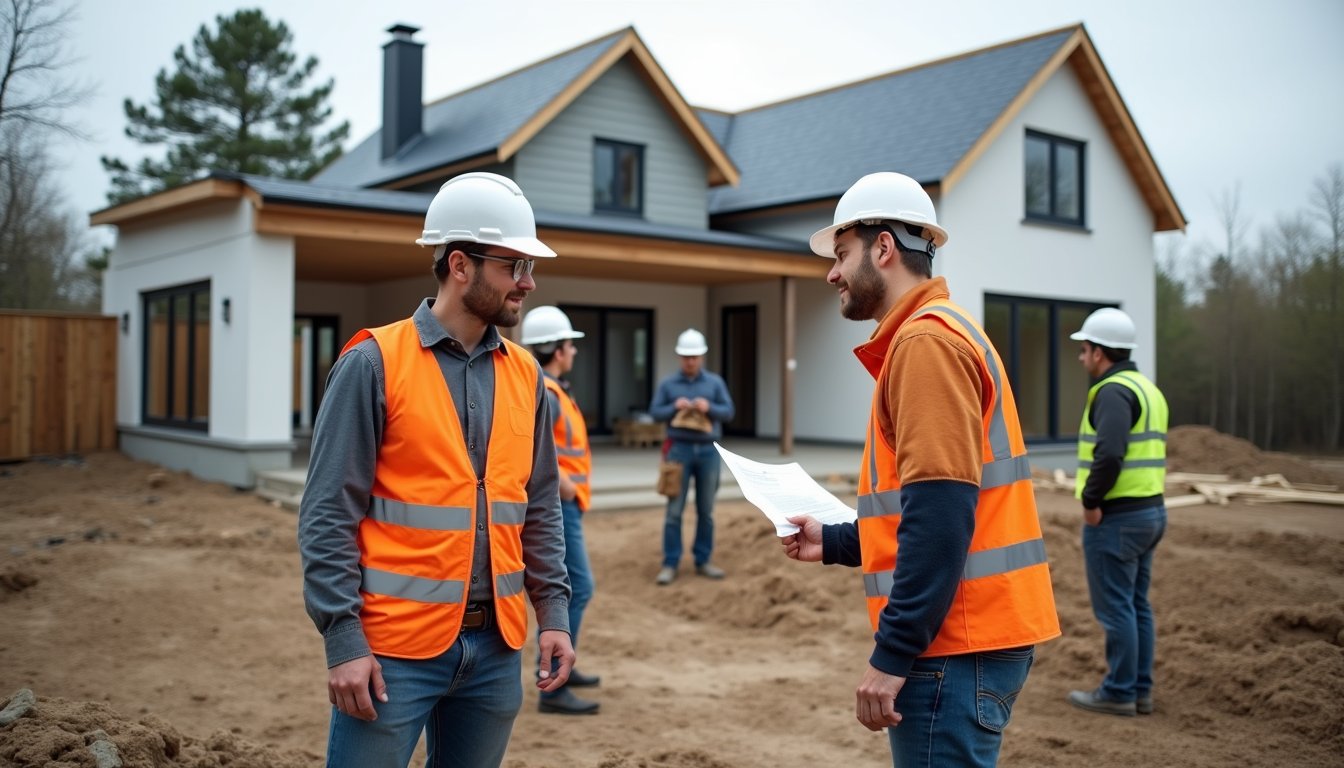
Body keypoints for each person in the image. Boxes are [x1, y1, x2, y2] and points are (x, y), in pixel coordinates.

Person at [780, 171, 1061, 767]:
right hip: (969, 633)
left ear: (883, 248)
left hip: (954, 642)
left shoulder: (926, 346)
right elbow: (923, 509)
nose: (832, 273)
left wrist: (892, 655)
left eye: (842, 253)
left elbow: (940, 518)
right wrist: (833, 541)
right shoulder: (940, 335)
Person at [298, 172, 575, 768]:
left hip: (496, 651)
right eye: (514, 266)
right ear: (459, 265)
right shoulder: (373, 363)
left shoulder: (528, 377)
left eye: (530, 267)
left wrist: (555, 615)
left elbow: (541, 507)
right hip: (392, 654)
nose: (528, 283)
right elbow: (327, 512)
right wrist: (342, 640)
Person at [1067, 307, 1169, 717]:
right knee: (1136, 604)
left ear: (1099, 352)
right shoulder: (1147, 389)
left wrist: (1091, 502)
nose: (1081, 357)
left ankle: (1120, 691)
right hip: (1150, 512)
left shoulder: (1111, 392)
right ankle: (1138, 688)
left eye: (1084, 349)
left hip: (1117, 519)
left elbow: (1110, 454)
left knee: (1116, 608)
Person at [521, 305, 601, 716]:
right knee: (579, 588)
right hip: (559, 506)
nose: (573, 351)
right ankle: (553, 684)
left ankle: (563, 667)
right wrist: (566, 488)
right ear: (556, 348)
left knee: (576, 589)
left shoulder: (553, 388)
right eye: (570, 344)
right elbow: (536, 451)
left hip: (565, 504)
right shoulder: (548, 394)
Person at [649, 328, 735, 585]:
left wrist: (710, 408)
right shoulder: (668, 384)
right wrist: (672, 407)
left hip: (708, 451)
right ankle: (670, 562)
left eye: (695, 356)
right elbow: (654, 412)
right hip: (678, 450)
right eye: (687, 356)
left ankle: (703, 559)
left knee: (706, 510)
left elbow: (729, 412)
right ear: (679, 356)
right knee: (674, 511)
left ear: (702, 357)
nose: (690, 361)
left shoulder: (715, 383)